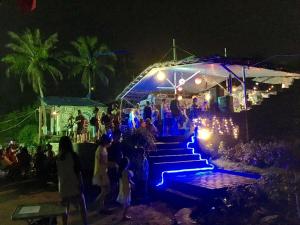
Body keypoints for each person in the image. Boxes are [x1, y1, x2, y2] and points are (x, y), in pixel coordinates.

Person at [56, 136, 87, 225]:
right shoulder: (74, 156)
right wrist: (81, 184)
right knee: (82, 205)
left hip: (63, 186)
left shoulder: (58, 157)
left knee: (65, 208)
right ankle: (85, 223)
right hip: (74, 185)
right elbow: (78, 172)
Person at [93, 134, 112, 212]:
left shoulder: (101, 148)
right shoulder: (101, 149)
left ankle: (101, 208)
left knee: (104, 190)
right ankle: (96, 203)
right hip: (101, 172)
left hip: (101, 171)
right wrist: (113, 164)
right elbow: (104, 162)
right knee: (106, 189)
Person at [108, 130, 124, 201]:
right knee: (114, 182)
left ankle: (113, 198)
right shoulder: (114, 145)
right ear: (116, 136)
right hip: (114, 165)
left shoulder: (115, 144)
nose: (120, 137)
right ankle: (112, 198)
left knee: (115, 182)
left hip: (116, 165)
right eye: (120, 136)